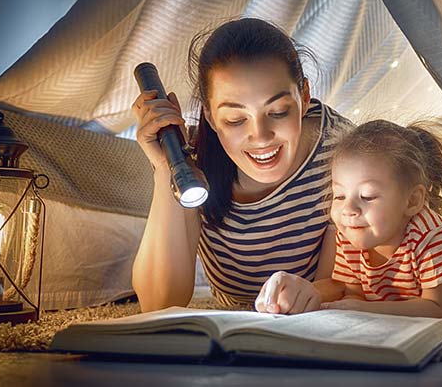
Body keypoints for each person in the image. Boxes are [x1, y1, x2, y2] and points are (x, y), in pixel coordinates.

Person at [131, 17, 352, 312]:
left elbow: (346, 285)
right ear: (209, 116)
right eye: (235, 119)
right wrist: (164, 168)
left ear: (304, 96)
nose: (260, 137)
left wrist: (313, 294)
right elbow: (160, 303)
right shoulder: (194, 162)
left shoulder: (342, 151)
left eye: (278, 111)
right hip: (235, 327)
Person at [257, 120, 442, 318]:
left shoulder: (434, 239)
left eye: (368, 196)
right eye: (339, 195)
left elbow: (438, 308)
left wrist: (364, 310)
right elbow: (352, 290)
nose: (349, 209)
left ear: (411, 201)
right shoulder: (351, 232)